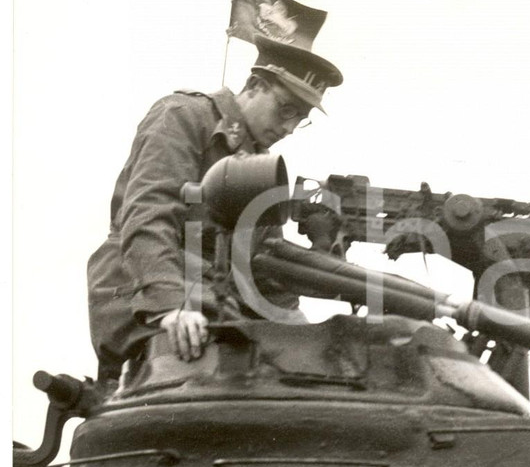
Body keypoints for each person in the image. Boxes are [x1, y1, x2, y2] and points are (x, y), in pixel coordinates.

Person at [87, 35, 343, 388]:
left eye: (300, 118)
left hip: (217, 303)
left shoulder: (259, 166)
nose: (288, 128)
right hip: (142, 295)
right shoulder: (183, 115)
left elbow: (269, 263)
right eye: (286, 109)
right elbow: (149, 212)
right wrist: (171, 305)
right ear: (255, 85)